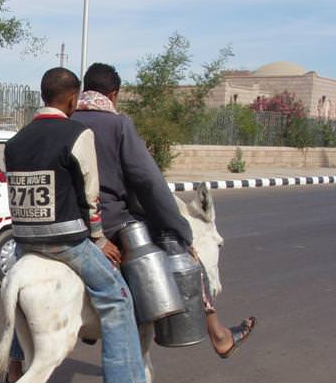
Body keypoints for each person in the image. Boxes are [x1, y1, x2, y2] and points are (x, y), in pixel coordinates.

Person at [71, 62, 255, 357]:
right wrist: (180, 230)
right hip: (111, 220)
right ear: (114, 94)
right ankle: (219, 334)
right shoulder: (118, 125)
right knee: (182, 252)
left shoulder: (65, 122)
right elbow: (148, 181)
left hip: (68, 220)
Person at [4, 67, 148, 383]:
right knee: (117, 298)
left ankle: (16, 363)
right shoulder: (76, 133)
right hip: (66, 241)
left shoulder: (16, 140)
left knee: (17, 301)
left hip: (24, 242)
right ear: (72, 99)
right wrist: (99, 240)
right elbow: (90, 193)